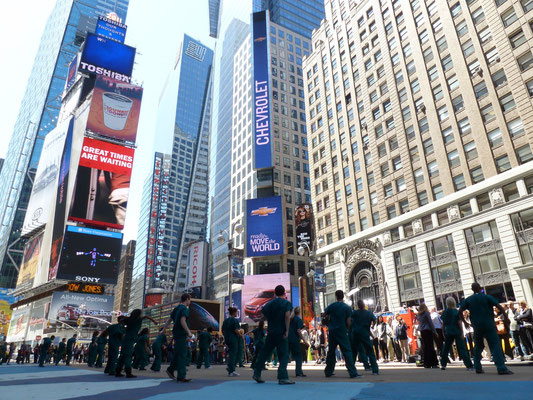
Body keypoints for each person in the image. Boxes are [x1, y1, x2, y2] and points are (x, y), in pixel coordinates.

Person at [458, 282, 513, 375]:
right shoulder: (487, 297)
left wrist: (465, 322)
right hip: (489, 324)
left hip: (477, 325)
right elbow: (499, 306)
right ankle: (501, 367)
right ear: (480, 288)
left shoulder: (469, 299)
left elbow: (460, 311)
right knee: (495, 345)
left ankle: (477, 367)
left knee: (478, 345)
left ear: (472, 289)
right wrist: (506, 317)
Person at [252, 285, 294, 385]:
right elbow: (287, 316)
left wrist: (271, 320)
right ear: (284, 293)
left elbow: (263, 316)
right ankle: (282, 377)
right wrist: (287, 330)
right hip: (281, 332)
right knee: (283, 355)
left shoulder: (269, 304)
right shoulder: (286, 303)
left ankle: (257, 373)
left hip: (271, 332)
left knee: (264, 353)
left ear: (274, 293)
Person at [323, 290, 360, 378]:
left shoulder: (331, 306)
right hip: (342, 330)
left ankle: (328, 371)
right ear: (343, 296)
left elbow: (324, 314)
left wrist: (329, 322)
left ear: (336, 296)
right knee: (347, 351)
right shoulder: (346, 307)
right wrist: (347, 329)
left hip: (332, 331)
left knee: (331, 351)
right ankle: (352, 372)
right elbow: (348, 321)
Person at [161, 293, 193, 383]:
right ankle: (181, 376)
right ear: (187, 299)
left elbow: (169, 319)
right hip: (181, 334)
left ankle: (170, 370)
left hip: (176, 333)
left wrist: (163, 329)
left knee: (178, 353)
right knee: (182, 353)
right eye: (190, 300)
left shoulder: (177, 308)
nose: (190, 302)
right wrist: (188, 331)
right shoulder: (184, 309)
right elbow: (182, 321)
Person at [116, 310, 157, 378]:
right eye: (141, 314)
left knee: (123, 355)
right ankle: (128, 372)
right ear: (138, 314)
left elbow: (121, 321)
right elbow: (146, 316)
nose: (141, 315)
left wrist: (123, 326)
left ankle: (118, 371)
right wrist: (154, 321)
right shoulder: (138, 320)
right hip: (130, 339)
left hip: (126, 339)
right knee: (128, 356)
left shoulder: (130, 320)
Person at [440, 297, 473, 371]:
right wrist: (462, 332)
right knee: (462, 348)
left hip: (448, 331)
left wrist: (443, 332)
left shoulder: (445, 312)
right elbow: (459, 323)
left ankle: (443, 364)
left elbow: (443, 324)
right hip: (457, 331)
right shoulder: (456, 312)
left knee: (446, 348)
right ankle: (468, 365)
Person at [351, 299, 379, 374]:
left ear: (358, 306)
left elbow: (350, 320)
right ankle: (375, 370)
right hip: (365, 334)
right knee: (370, 351)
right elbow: (375, 320)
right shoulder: (369, 313)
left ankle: (352, 369)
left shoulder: (355, 313)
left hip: (356, 334)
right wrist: (372, 324)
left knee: (354, 352)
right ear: (364, 305)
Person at [417, 304, 439, 368]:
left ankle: (427, 363)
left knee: (425, 347)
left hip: (422, 331)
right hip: (428, 330)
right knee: (430, 346)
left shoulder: (418, 315)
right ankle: (434, 363)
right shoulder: (426, 313)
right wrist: (435, 331)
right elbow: (430, 322)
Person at [222, 307, 241, 376]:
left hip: (227, 338)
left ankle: (229, 366)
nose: (237, 313)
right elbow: (236, 330)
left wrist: (226, 336)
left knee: (231, 353)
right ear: (234, 313)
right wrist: (241, 335)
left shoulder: (226, 320)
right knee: (233, 354)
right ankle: (231, 371)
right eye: (236, 312)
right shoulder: (235, 321)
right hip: (233, 339)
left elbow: (222, 330)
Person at [288, 306, 306, 377]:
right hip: (295, 340)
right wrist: (304, 340)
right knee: (298, 356)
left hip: (287, 339)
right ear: (299, 312)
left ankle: (282, 372)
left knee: (285, 356)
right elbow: (298, 331)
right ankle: (298, 372)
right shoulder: (298, 320)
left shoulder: (289, 319)